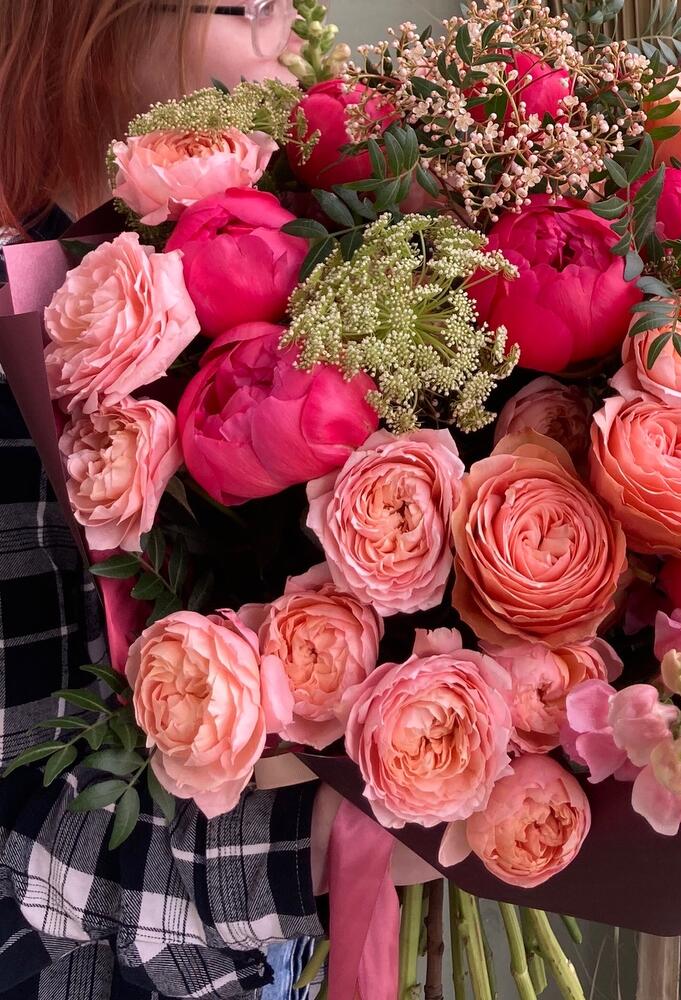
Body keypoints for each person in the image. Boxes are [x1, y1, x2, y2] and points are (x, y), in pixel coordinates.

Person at [0, 3, 341, 997]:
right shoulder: (31, 304)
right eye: (248, 9)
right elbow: (23, 851)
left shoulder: (120, 246)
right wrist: (320, 848)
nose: (291, 36)